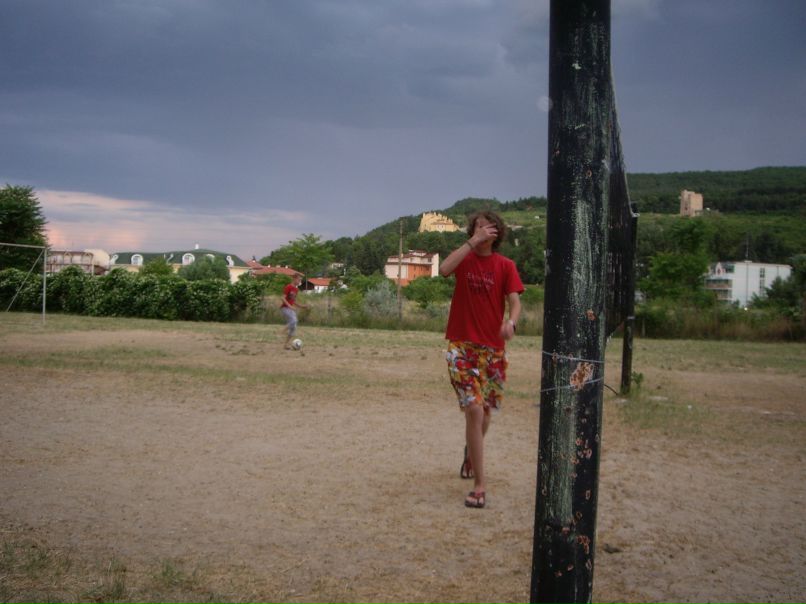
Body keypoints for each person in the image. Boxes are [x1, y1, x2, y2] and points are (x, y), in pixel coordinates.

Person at [440, 210, 524, 509]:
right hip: (461, 346)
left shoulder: (505, 266)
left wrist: (511, 323)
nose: (481, 230)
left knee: (485, 414)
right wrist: (470, 243)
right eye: (476, 227)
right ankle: (480, 486)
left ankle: (470, 455)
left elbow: (515, 301)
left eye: (487, 227)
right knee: (474, 410)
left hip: (493, 351)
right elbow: (444, 269)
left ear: (497, 233)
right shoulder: (464, 259)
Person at [280, 274, 308, 350]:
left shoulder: (296, 289)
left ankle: (285, 345)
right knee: (294, 321)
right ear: (294, 279)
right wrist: (290, 306)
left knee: (293, 328)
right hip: (285, 308)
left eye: (300, 280)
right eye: (299, 280)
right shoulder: (288, 287)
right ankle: (282, 331)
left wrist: (302, 306)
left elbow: (293, 301)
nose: (300, 281)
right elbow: (282, 298)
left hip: (290, 309)